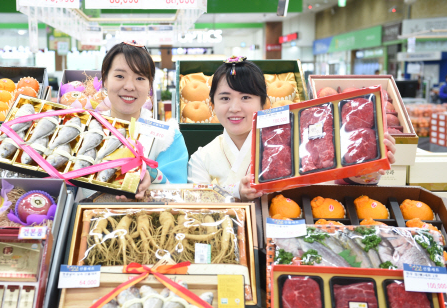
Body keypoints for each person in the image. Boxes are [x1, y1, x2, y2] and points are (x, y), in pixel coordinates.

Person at [188, 56, 397, 201]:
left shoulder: (293, 144)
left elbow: (326, 181)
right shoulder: (201, 158)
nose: (235, 108)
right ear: (212, 105)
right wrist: (236, 191)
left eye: (245, 97)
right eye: (225, 98)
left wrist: (365, 168)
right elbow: (194, 202)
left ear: (264, 104)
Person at [100, 41, 188, 199]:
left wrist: (152, 174)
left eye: (140, 78)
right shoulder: (85, 127)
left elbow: (179, 193)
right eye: (120, 76)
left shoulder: (168, 136)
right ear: (105, 80)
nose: (129, 86)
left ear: (150, 86)